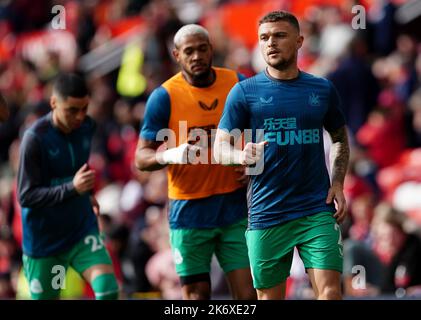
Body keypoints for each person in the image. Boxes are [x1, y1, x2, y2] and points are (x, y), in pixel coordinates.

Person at [214, 11, 350, 300]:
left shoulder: (322, 89)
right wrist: (240, 156)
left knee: (330, 294)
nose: (270, 43)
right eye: (264, 38)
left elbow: (339, 139)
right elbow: (219, 147)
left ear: (300, 41)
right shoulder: (244, 92)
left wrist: (337, 182)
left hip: (316, 208)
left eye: (279, 35)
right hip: (267, 212)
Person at [135, 24, 255, 300]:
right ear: (177, 55)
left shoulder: (236, 83)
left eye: (202, 49)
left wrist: (252, 166)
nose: (197, 56)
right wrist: (170, 154)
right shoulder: (164, 96)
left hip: (233, 205)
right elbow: (141, 158)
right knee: (195, 296)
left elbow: (259, 132)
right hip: (188, 209)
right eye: (189, 51)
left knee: (247, 294)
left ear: (212, 49)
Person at [17, 73, 119, 300]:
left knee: (107, 289)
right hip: (46, 242)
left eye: (84, 108)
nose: (80, 116)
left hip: (80, 230)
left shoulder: (86, 128)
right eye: (72, 110)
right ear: (54, 103)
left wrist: (88, 194)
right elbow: (26, 196)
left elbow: (76, 168)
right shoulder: (35, 139)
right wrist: (73, 189)